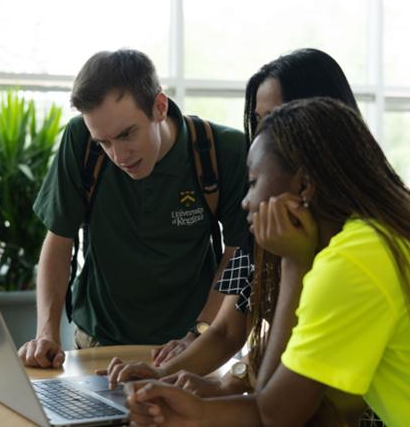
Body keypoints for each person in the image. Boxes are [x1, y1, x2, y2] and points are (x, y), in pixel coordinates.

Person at [125, 97, 410, 426]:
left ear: (305, 185)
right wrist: (198, 407)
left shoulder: (353, 260)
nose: (245, 200)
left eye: (255, 181)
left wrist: (294, 263)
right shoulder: (389, 235)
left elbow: (276, 413)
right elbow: (335, 401)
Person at [103, 50, 363, 405]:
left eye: (276, 118)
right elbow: (228, 330)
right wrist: (163, 377)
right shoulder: (270, 209)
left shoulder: (357, 240)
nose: (262, 135)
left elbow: (280, 406)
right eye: (259, 120)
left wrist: (228, 391)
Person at [18, 49, 247, 367]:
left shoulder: (223, 150)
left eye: (127, 134)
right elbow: (58, 240)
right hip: (96, 342)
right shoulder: (80, 141)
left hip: (191, 345)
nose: (119, 155)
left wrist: (202, 331)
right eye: (105, 142)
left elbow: (240, 253)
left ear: (159, 107)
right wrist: (46, 333)